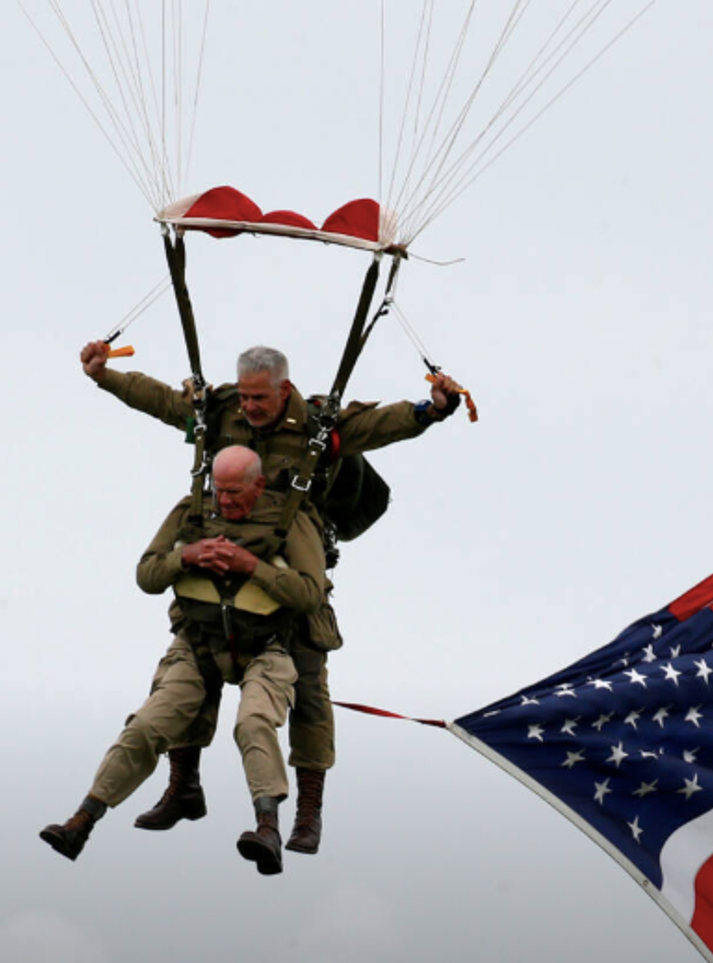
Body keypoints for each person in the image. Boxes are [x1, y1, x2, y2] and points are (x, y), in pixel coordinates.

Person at [78, 340, 464, 854]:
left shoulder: (318, 425)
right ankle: (183, 788)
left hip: (290, 566)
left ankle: (307, 815)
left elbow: (379, 425)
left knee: (308, 691)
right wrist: (105, 376)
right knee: (191, 666)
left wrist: (432, 409)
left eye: (260, 398)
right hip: (218, 564)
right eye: (245, 396)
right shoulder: (222, 413)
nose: (250, 407)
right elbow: (167, 404)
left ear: (284, 390)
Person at [39, 446, 330, 876]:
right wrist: (187, 558)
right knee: (146, 725)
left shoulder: (291, 518)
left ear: (259, 485)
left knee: (252, 723)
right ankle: (83, 820)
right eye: (220, 491)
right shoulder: (190, 513)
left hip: (268, 645)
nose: (225, 502)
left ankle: (268, 826)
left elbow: (310, 593)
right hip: (198, 642)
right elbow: (147, 574)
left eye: (236, 493)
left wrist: (252, 566)